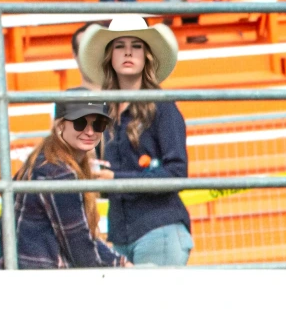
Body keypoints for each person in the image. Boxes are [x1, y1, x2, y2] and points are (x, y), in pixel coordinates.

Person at [76, 17, 193, 267]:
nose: (128, 51)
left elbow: (177, 172)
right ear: (110, 56)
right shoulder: (104, 114)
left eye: (136, 45)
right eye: (119, 45)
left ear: (146, 56)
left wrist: (115, 180)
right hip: (122, 234)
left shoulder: (163, 108)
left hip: (157, 228)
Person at [16, 101, 129, 270]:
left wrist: (120, 262)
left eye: (98, 124)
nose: (90, 131)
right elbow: (81, 250)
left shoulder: (43, 161)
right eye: (80, 123)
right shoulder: (58, 173)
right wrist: (120, 265)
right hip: (43, 281)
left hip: (27, 274)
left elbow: (83, 238)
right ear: (60, 126)